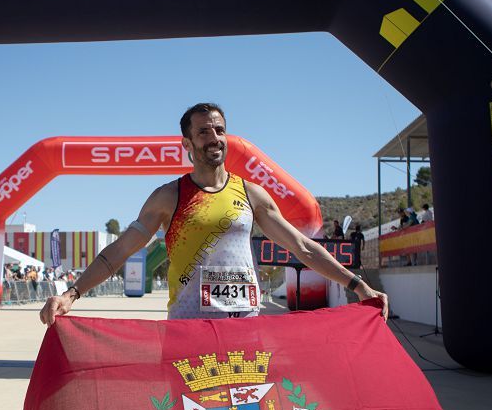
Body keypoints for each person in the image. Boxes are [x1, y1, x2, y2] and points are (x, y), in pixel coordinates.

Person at [41, 102, 387, 324]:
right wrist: (72, 294)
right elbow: (118, 252)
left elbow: (302, 246)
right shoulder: (168, 196)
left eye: (219, 130)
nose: (214, 137)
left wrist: (357, 285)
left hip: (245, 327)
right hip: (189, 328)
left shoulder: (252, 194)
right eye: (204, 131)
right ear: (187, 144)